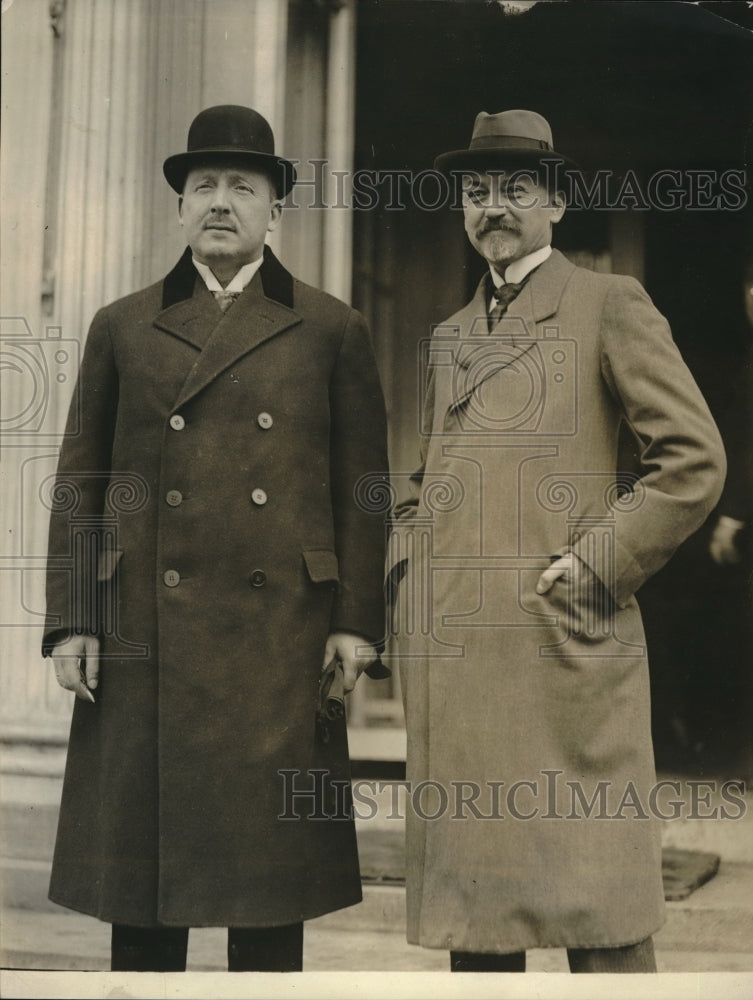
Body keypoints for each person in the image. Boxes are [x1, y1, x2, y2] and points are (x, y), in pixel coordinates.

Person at [43, 104, 389, 972]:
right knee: (144, 897)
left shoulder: (330, 327)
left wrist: (355, 622)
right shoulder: (122, 325)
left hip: (285, 637)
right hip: (143, 634)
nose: (221, 202)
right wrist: (74, 616)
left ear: (276, 210)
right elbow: (83, 483)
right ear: (181, 206)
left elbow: (363, 489)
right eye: (204, 186)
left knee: (269, 889)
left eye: (244, 186)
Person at [388, 110, 726, 973]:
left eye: (513, 190)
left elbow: (691, 459)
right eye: (474, 192)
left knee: (601, 923)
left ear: (558, 204)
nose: (490, 209)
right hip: (461, 669)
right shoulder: (449, 337)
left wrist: (596, 563)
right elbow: (423, 484)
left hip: (564, 654)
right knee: (480, 935)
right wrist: (407, 577)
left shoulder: (607, 304)